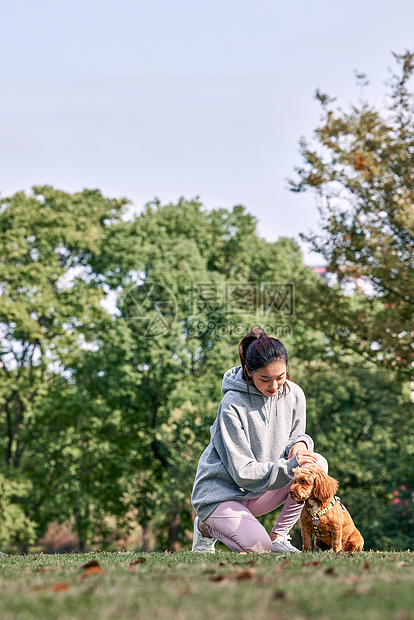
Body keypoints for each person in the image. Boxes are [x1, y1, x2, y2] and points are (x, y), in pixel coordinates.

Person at [191, 326, 328, 554]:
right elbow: (243, 473)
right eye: (265, 379)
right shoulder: (232, 405)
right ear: (249, 371)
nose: (274, 386)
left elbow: (296, 435)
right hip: (221, 495)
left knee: (317, 464)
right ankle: (206, 526)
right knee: (259, 549)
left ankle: (280, 536)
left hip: (259, 492)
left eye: (280, 377)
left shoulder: (294, 394)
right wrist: (291, 464)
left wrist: (300, 444)